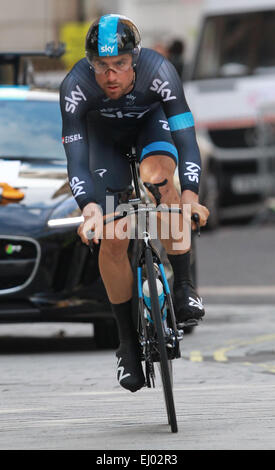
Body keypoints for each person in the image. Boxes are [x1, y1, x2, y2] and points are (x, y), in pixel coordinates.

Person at [60, 14, 209, 393]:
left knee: (159, 179)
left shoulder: (159, 71)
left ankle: (184, 286)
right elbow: (76, 160)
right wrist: (89, 209)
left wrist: (190, 197)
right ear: (90, 63)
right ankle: (127, 343)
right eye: (102, 67)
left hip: (150, 126)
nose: (111, 76)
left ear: (135, 59)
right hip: (103, 141)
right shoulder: (75, 86)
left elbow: (188, 141)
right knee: (112, 237)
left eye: (120, 65)